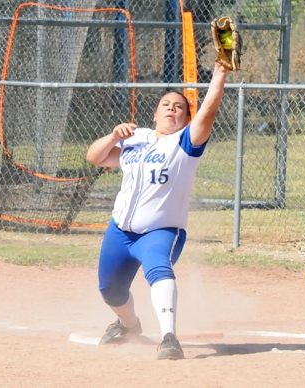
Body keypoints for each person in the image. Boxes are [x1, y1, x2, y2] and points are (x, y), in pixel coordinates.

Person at [85, 62, 228, 360]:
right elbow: (95, 158)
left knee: (158, 270)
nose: (172, 109)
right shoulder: (135, 139)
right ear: (155, 113)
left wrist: (220, 74)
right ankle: (129, 325)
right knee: (109, 290)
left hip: (160, 230)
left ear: (188, 119)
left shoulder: (186, 143)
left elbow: (209, 113)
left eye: (179, 107)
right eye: (166, 104)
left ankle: (169, 338)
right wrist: (113, 137)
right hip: (120, 231)